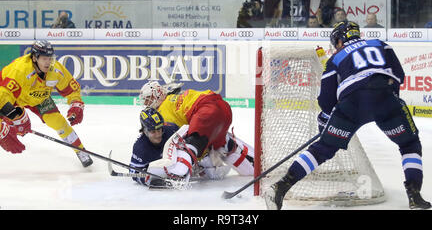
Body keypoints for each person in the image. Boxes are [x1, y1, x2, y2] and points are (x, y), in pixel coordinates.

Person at [265, 21, 431, 210]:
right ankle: (415, 196)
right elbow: (399, 75)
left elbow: (326, 100)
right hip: (385, 97)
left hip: (352, 104)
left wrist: (327, 121)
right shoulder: (380, 43)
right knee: (409, 144)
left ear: (339, 40)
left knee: (322, 149)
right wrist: (390, 101)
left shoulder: (336, 58)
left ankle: (280, 187)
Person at [138, 81, 255, 183]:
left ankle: (177, 175)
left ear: (158, 95)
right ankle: (254, 164)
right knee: (218, 146)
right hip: (222, 108)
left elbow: (175, 138)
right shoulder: (170, 99)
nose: (146, 103)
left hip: (206, 111)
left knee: (189, 146)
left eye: (148, 99)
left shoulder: (163, 111)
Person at [0, 40, 92, 167]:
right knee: (19, 129)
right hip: (14, 100)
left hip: (40, 98)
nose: (48, 62)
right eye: (44, 59)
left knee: (58, 122)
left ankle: (80, 151)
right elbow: (2, 97)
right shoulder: (19, 71)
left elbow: (72, 89)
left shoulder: (56, 69)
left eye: (50, 58)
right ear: (34, 58)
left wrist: (76, 104)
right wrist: (2, 131)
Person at [129, 107, 231, 188]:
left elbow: (190, 140)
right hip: (162, 168)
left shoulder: (171, 129)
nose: (158, 134)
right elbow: (133, 172)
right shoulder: (140, 147)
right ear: (145, 131)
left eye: (159, 130)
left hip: (180, 165)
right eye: (153, 132)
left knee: (210, 166)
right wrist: (145, 179)